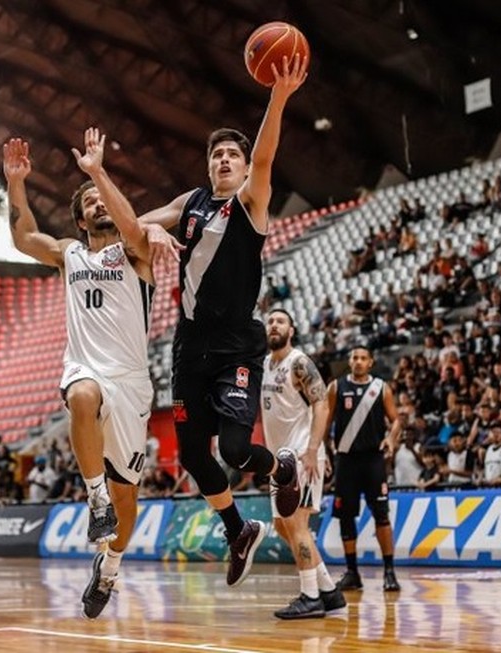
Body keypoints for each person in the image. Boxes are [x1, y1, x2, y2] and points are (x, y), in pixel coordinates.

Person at [129, 55, 308, 587]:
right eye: (218, 155)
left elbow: (267, 153)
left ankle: (281, 467)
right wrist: (151, 231)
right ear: (208, 167)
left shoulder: (252, 201)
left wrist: (277, 96)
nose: (226, 160)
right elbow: (135, 223)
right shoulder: (191, 203)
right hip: (190, 347)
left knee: (234, 451)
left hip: (236, 346)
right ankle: (238, 530)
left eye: (234, 154)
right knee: (190, 456)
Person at [5, 127, 165, 618]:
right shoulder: (69, 254)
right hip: (87, 368)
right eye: (90, 202)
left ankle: (110, 566)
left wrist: (97, 172)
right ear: (79, 218)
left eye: (104, 200)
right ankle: (95, 501)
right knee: (80, 395)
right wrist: (16, 183)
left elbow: (135, 228)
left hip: (132, 380)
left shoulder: (136, 251)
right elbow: (23, 236)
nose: (99, 206)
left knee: (129, 496)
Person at [260, 308, 347, 619]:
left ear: (292, 329)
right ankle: (329, 592)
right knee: (282, 526)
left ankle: (310, 596)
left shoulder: (299, 362)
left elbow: (321, 403)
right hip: (279, 461)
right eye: (270, 321)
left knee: (297, 525)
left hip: (301, 456)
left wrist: (313, 450)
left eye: (280, 321)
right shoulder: (265, 365)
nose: (274, 325)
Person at [325, 345, 402, 593]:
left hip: (373, 460)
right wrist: (321, 452)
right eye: (354, 358)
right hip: (346, 461)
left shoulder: (381, 388)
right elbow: (324, 423)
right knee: (346, 516)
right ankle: (352, 573)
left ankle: (389, 571)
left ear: (371, 362)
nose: (358, 361)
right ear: (349, 361)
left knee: (381, 515)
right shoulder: (336, 387)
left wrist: (391, 438)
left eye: (363, 358)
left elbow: (397, 420)